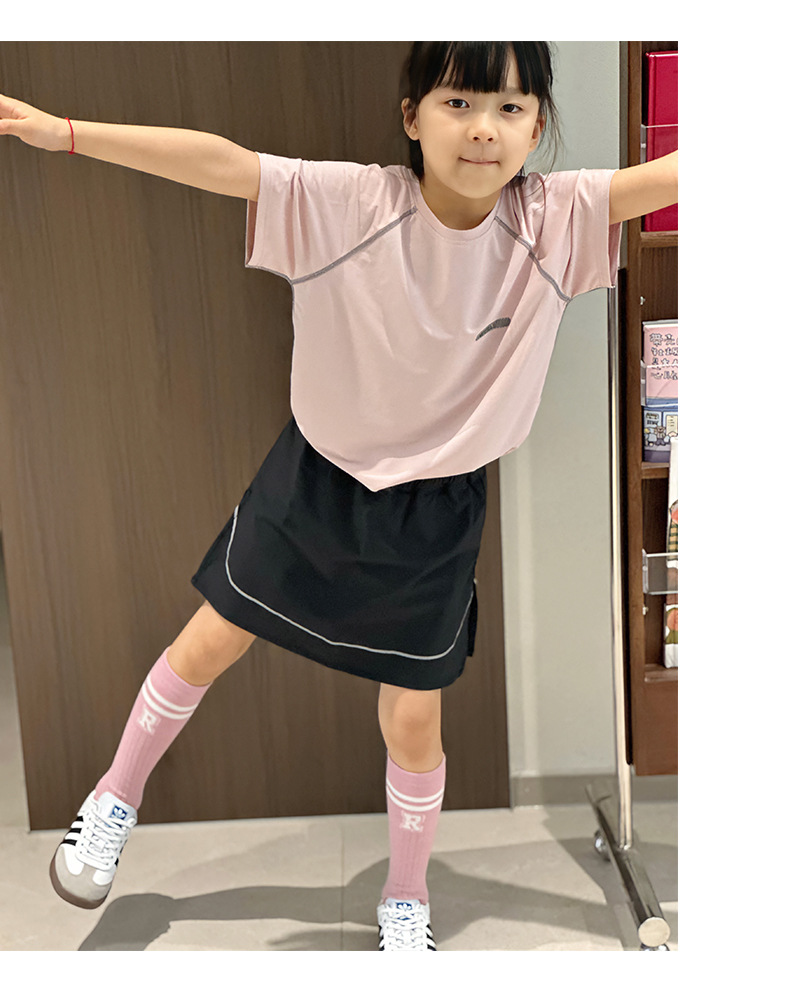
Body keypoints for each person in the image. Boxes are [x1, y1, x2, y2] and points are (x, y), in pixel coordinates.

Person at [0, 41, 678, 951]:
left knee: (414, 715)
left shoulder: (556, 218)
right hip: (317, 476)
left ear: (538, 127)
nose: (484, 128)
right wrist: (66, 133)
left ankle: (405, 897)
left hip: (438, 509)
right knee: (208, 640)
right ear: (412, 116)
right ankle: (113, 798)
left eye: (510, 108)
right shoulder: (352, 203)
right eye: (458, 102)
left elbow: (677, 173)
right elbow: (222, 163)